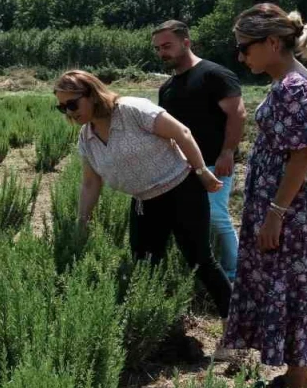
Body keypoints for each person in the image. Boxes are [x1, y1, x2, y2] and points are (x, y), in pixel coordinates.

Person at [217, 3, 307, 388]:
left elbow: (301, 157)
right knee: (285, 286)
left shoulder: (294, 88)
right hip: (283, 207)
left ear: (271, 42)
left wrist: (275, 215)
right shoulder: (288, 82)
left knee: (292, 287)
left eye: (245, 47)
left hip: (290, 211)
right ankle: (295, 378)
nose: (241, 55)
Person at [55, 69, 232, 312]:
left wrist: (202, 171)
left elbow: (182, 133)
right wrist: (82, 222)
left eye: (72, 104)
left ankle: (233, 323)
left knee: (199, 260)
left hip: (182, 190)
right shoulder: (87, 138)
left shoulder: (131, 110)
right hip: (144, 202)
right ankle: (154, 320)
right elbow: (90, 183)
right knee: (143, 266)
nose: (69, 112)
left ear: (93, 95)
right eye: (62, 108)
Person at [153, 20, 247, 283]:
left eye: (167, 45)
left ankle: (233, 272)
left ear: (186, 42)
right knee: (187, 220)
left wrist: (228, 152)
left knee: (216, 216)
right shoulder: (167, 88)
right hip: (180, 167)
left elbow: (238, 115)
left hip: (215, 162)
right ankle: (202, 270)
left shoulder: (214, 75)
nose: (162, 52)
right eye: (158, 48)